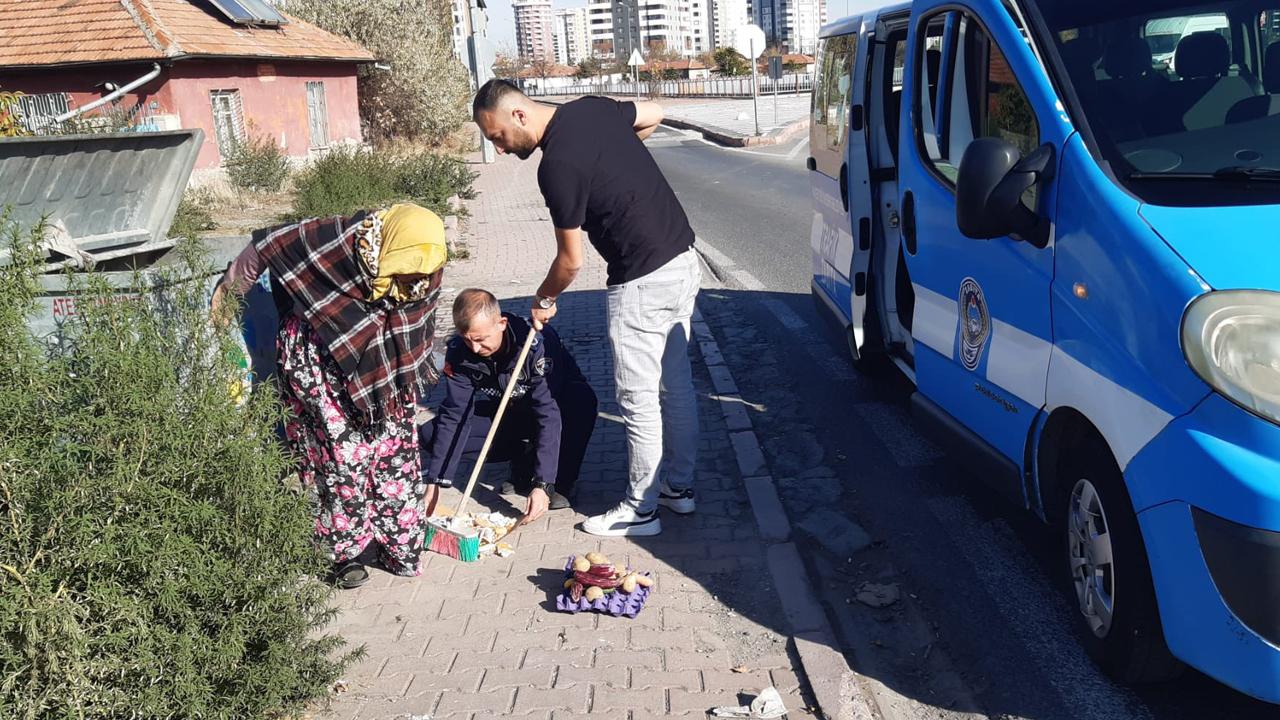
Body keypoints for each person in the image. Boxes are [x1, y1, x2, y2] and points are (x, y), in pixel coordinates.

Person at [472, 79, 700, 537]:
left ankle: (641, 509)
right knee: (675, 386)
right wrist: (613, 161)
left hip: (641, 279)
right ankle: (679, 488)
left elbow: (570, 261)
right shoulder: (593, 108)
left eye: (496, 136)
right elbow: (653, 112)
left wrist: (544, 299)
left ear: (519, 114)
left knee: (638, 400)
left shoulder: (556, 166)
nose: (497, 149)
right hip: (683, 260)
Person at [213, 204, 447, 589]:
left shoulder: (427, 254)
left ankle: (400, 543)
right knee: (342, 459)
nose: (414, 277)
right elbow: (268, 244)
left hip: (386, 374)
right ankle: (342, 555)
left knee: (395, 456)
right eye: (403, 267)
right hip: (320, 361)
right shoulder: (338, 239)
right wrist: (229, 291)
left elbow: (417, 317)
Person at [421, 289, 597, 521]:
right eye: (467, 339)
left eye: (480, 339)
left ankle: (559, 481)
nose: (474, 349)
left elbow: (548, 414)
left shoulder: (536, 345)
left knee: (580, 401)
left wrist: (543, 484)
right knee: (430, 434)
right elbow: (455, 414)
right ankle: (524, 456)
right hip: (513, 412)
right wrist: (435, 482)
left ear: (501, 324)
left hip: (558, 410)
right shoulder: (460, 353)